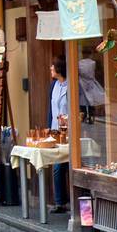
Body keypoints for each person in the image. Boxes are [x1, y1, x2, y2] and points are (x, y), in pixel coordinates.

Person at [48, 58, 72, 213]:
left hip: (70, 131)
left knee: (70, 165)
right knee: (58, 166)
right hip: (56, 131)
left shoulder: (71, 86)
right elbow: (51, 109)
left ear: (59, 69)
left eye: (53, 66)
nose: (51, 68)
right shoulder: (53, 85)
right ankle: (60, 202)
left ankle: (75, 200)